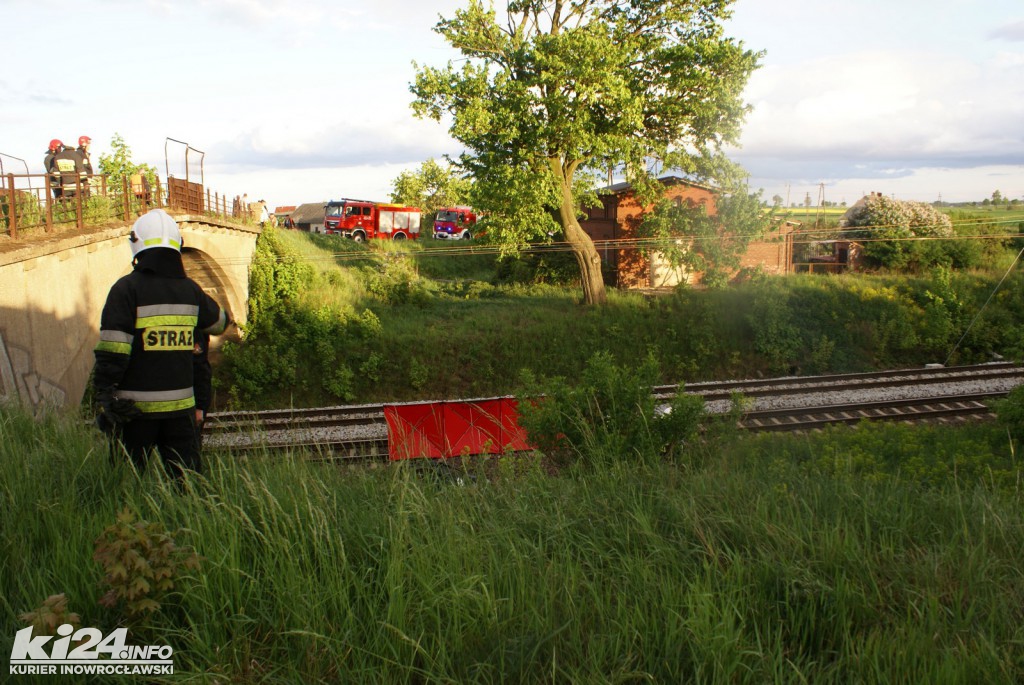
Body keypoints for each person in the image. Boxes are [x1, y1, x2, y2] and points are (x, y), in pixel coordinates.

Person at [92, 209, 230, 482]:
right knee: (186, 484)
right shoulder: (191, 291)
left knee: (125, 485)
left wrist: (103, 397)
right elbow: (220, 323)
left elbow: (113, 352)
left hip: (133, 413)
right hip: (180, 414)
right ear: (177, 247)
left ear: (136, 244)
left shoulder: (125, 290)